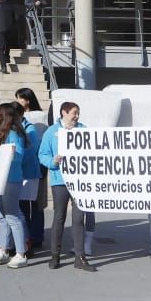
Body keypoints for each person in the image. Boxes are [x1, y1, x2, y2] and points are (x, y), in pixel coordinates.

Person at [41, 101, 95, 272]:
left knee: (79, 218)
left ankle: (80, 256)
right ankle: (55, 255)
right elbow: (42, 154)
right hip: (59, 181)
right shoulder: (51, 132)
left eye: (78, 113)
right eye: (74, 113)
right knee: (59, 217)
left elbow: (93, 150)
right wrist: (53, 162)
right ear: (64, 113)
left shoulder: (83, 129)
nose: (77, 116)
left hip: (79, 182)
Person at [0, 103, 30, 268]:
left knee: (12, 216)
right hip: (0, 178)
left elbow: (19, 154)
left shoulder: (14, 133)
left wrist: (11, 152)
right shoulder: (3, 133)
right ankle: (4, 249)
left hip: (11, 179)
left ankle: (21, 253)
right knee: (1, 216)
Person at [15, 88, 46, 255]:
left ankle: (35, 236)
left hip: (37, 163)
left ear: (27, 99)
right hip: (31, 164)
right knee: (25, 204)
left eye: (20, 98)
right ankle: (28, 236)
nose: (19, 101)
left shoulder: (38, 117)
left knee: (36, 203)